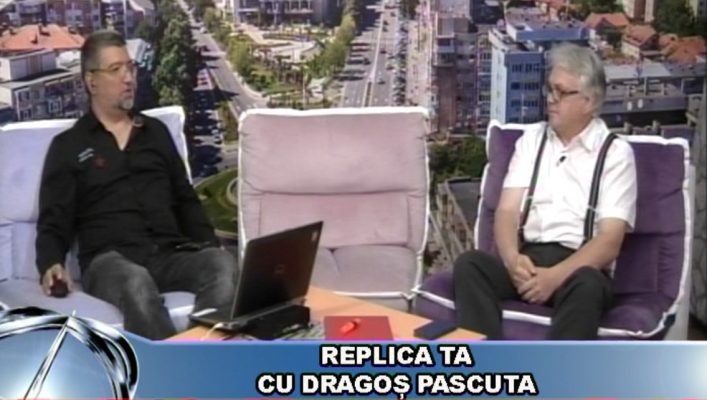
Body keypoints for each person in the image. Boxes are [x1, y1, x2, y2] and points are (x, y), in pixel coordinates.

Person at [35, 30, 237, 340]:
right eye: (116, 69)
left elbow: (186, 200)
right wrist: (50, 263)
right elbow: (53, 220)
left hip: (169, 254)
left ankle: (200, 356)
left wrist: (209, 245)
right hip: (110, 262)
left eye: (130, 67)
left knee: (222, 264)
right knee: (136, 281)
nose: (129, 78)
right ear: (92, 81)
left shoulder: (155, 132)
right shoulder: (68, 146)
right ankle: (171, 370)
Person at [453, 43, 637, 340]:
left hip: (578, 267)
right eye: (549, 89)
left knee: (589, 285)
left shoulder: (615, 154)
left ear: (589, 102)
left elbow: (609, 241)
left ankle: (556, 369)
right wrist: (513, 261)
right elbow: (507, 211)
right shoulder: (531, 140)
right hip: (528, 259)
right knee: (470, 265)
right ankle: (487, 361)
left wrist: (554, 278)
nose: (551, 99)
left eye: (561, 92)